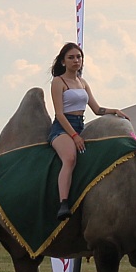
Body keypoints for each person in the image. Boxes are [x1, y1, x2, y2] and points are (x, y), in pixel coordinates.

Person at [47, 42, 125, 221]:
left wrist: (114, 111)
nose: (76, 60)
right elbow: (59, 113)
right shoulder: (58, 82)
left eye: (79, 57)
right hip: (62, 128)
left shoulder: (82, 82)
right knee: (70, 158)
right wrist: (73, 136)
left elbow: (97, 109)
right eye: (71, 57)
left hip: (81, 126)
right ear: (63, 62)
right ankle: (63, 203)